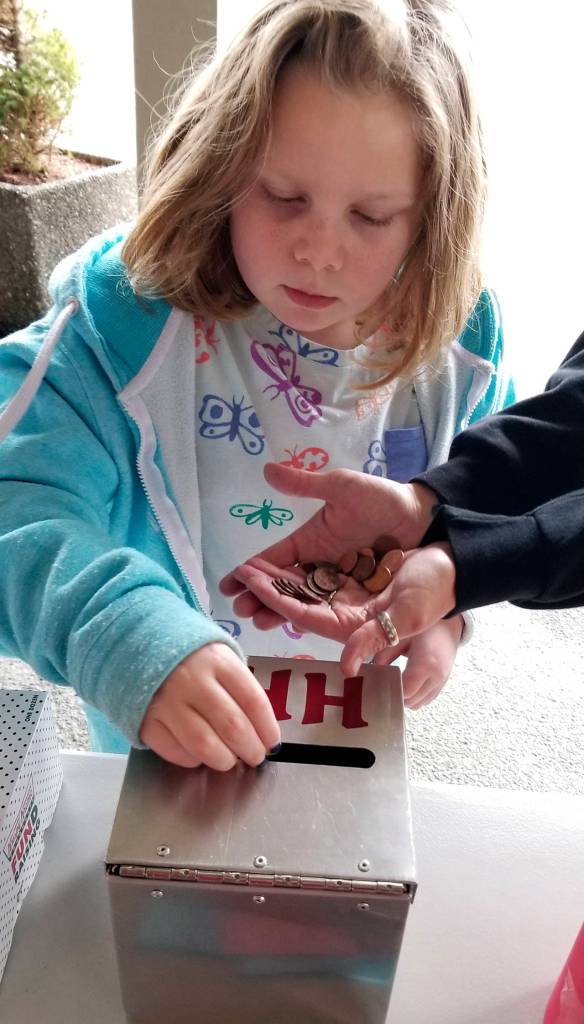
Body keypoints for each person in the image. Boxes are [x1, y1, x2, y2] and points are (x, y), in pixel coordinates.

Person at [0, 0, 513, 765]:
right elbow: (16, 496)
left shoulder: (463, 343)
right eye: (282, 196)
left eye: (372, 216)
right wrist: (122, 632)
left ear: (431, 218)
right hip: (169, 735)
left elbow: (493, 492)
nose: (318, 252)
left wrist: (452, 601)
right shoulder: (121, 326)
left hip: (348, 725)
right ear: (222, 166)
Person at [221, 330, 584, 706]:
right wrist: (431, 509)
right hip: (215, 642)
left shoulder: (469, 338)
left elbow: (508, 459)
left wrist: (453, 605)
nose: (319, 266)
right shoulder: (166, 333)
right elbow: (555, 429)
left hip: (356, 661)